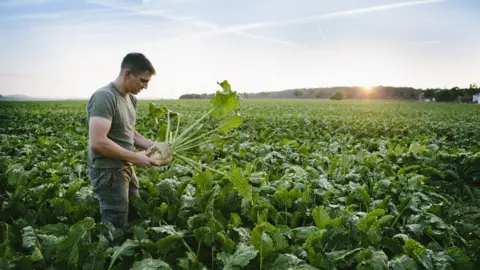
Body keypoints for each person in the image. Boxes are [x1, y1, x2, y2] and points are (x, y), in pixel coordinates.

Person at [86, 52, 171, 232]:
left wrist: (152, 146)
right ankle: (111, 256)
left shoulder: (130, 97)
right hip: (108, 171)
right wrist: (135, 157)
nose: (145, 86)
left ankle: (130, 252)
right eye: (142, 80)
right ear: (127, 74)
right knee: (115, 222)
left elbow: (128, 131)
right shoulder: (105, 97)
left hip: (125, 166)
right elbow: (98, 142)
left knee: (134, 210)